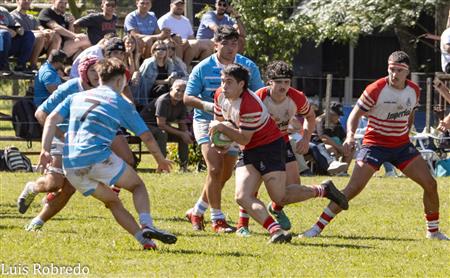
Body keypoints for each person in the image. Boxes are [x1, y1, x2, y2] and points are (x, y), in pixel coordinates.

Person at [301, 51, 449, 241]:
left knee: (430, 183)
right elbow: (354, 114)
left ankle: (433, 232)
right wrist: (351, 136)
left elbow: (410, 112)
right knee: (352, 189)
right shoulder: (376, 88)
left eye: (398, 71)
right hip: (375, 145)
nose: (394, 75)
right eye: (391, 70)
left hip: (401, 146)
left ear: (407, 72)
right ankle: (316, 228)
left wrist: (407, 130)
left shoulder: (414, 90)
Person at [35, 58, 176, 250]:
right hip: (97, 157)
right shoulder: (120, 102)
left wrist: (45, 149)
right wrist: (160, 160)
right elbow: (147, 136)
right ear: (120, 81)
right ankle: (147, 224)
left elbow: (50, 119)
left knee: (113, 202)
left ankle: (146, 242)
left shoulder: (77, 96)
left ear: (99, 77)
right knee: (137, 186)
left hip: (71, 166)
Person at [235, 61, 349, 236]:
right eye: (279, 82)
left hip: (281, 142)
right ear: (269, 82)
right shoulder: (259, 97)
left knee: (293, 185)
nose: (283, 86)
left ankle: (276, 208)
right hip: (257, 144)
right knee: (252, 182)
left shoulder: (297, 97)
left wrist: (305, 138)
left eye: (287, 82)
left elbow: (311, 117)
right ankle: (243, 224)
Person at [183, 25, 264, 233]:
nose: (230, 48)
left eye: (234, 43)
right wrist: (209, 106)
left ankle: (197, 210)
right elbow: (187, 97)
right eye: (225, 43)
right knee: (214, 168)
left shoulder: (247, 66)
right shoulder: (202, 67)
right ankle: (217, 219)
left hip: (234, 123)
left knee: (225, 173)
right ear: (215, 44)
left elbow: (259, 94)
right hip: (206, 121)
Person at [140, 79, 193, 171]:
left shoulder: (182, 103)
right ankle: (162, 165)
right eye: (178, 90)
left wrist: (186, 133)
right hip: (145, 125)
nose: (180, 93)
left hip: (161, 126)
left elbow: (182, 122)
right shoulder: (163, 100)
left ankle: (184, 166)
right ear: (171, 89)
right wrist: (181, 133)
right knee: (162, 133)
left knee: (183, 136)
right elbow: (161, 124)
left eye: (183, 91)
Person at [157, 0, 213, 68]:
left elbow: (191, 37)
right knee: (181, 41)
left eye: (182, 5)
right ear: (171, 5)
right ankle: (181, 69)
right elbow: (163, 36)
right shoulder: (164, 19)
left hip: (187, 45)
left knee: (207, 46)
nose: (180, 7)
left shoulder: (186, 20)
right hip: (171, 45)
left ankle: (201, 72)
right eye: (177, 5)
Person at [11, 0, 59, 71]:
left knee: (55, 36)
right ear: (17, 1)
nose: (27, 1)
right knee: (40, 36)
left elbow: (40, 28)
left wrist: (48, 32)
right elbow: (21, 31)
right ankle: (33, 66)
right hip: (21, 47)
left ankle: (49, 67)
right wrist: (42, 33)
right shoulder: (12, 15)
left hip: (36, 46)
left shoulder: (31, 18)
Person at [315, 102, 353, 175]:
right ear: (330, 113)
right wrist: (339, 147)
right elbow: (323, 138)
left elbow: (343, 136)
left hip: (335, 144)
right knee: (331, 149)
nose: (338, 117)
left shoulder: (337, 123)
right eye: (336, 115)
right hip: (319, 144)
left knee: (350, 148)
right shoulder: (320, 120)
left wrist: (346, 145)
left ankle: (343, 171)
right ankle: (334, 171)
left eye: (339, 115)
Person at [136, 40, 176, 108]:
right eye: (158, 49)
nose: (161, 51)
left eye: (163, 49)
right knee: (161, 89)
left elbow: (171, 77)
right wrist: (165, 81)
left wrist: (172, 79)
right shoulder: (149, 63)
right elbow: (147, 82)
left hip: (166, 87)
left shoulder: (169, 62)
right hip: (150, 91)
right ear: (153, 50)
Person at [0, 6, 35, 73]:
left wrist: (18, 28)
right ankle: (2, 66)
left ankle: (21, 65)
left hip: (7, 44)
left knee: (28, 34)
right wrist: (6, 29)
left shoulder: (3, 10)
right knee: (4, 34)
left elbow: (13, 22)